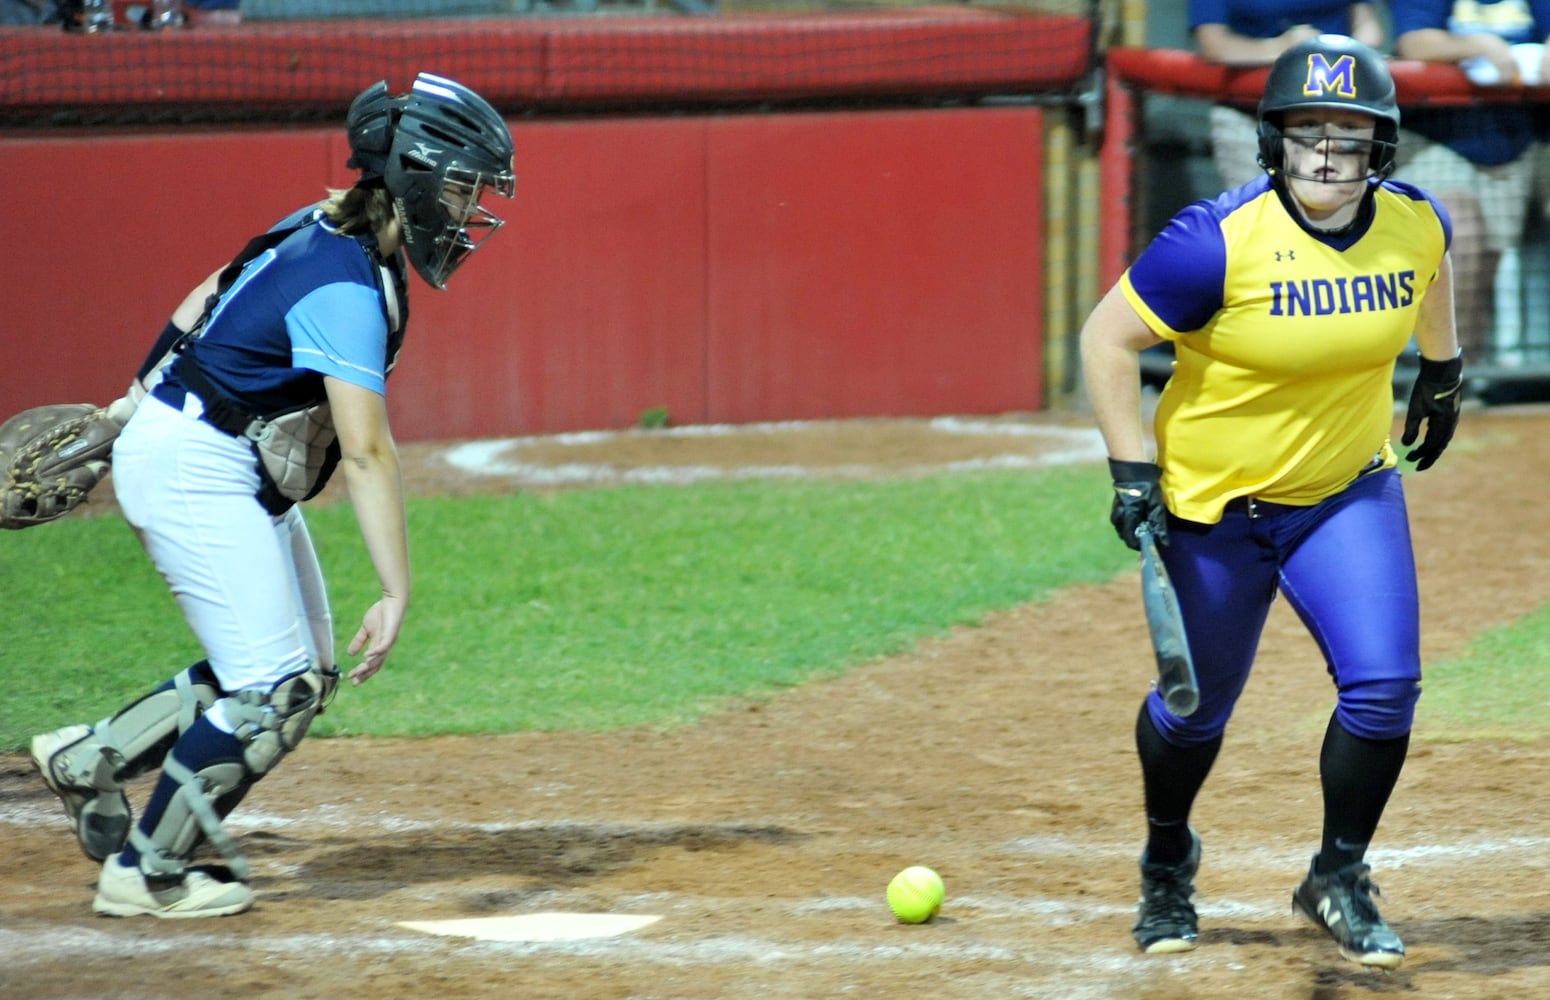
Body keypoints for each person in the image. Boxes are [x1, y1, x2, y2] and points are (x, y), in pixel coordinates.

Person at [28, 72, 516, 919]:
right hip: (197, 466)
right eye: (461, 184)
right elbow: (364, 451)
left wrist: (132, 403)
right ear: (415, 177)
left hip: (208, 456)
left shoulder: (324, 229)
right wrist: (397, 592)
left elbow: (201, 298)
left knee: (303, 675)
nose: (470, 206)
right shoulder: (347, 283)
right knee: (272, 691)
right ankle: (145, 874)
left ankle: (92, 761)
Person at [1080, 35, 1462, 969]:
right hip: (1215, 510)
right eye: (1307, 131)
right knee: (1193, 713)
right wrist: (1132, 468)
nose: (1327, 151)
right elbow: (1105, 339)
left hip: (1343, 494)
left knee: (1383, 690)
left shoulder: (1413, 222)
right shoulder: (1214, 241)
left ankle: (1338, 874)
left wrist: (1443, 370)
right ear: (1273, 140)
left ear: (1382, 146)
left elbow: (1432, 266)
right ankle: (1168, 854)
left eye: (1349, 131)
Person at [1391, 0, 1550, 362]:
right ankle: (1441, 373)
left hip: (1518, 137)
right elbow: (1413, 42)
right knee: (1459, 235)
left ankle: (1470, 376)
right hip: (1436, 135)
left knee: (1487, 263)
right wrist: (1480, 45)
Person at [1190, 1, 1386, 190]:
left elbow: (1368, 29)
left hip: (1340, 111)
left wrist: (1348, 52)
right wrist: (1282, 47)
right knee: (1258, 209)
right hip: (1253, 112)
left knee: (1348, 206)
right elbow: (1213, 45)